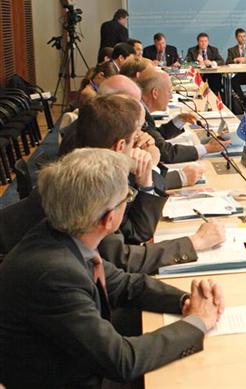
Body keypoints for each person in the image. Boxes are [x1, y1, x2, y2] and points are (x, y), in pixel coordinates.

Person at [0, 148, 224, 388]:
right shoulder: (54, 274)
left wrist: (186, 301)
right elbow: (123, 362)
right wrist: (198, 322)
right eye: (126, 198)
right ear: (109, 219)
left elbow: (125, 284)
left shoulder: (62, 231)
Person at [0, 95, 224, 275]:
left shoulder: (94, 157)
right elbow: (123, 258)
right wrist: (196, 242)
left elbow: (134, 232)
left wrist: (146, 179)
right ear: (119, 146)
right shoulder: (86, 183)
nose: (143, 139)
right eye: (137, 135)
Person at [138, 69, 230, 164]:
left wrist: (180, 119)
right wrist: (207, 148)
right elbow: (167, 153)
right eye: (169, 91)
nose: (170, 97)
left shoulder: (143, 111)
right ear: (155, 93)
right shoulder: (139, 115)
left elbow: (156, 135)